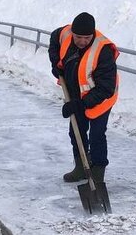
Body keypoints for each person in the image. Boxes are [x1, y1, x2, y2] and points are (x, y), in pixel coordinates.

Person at [49, 12, 119, 184]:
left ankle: (97, 172)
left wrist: (79, 105)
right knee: (76, 131)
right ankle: (81, 167)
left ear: (93, 34)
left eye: (86, 38)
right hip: (76, 93)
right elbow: (54, 38)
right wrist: (55, 62)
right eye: (78, 37)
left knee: (97, 134)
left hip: (101, 98)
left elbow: (106, 88)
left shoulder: (102, 52)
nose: (81, 41)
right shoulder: (65, 34)